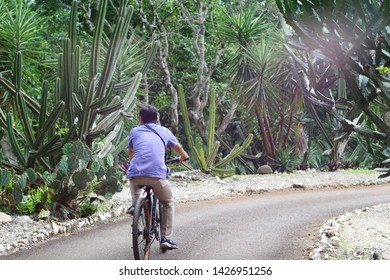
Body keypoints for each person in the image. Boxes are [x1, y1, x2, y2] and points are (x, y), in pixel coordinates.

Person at [126, 104, 189, 250]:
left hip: (136, 175)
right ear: (157, 118)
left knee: (133, 177)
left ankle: (135, 204)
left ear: (140, 119)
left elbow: (131, 153)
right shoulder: (164, 131)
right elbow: (179, 149)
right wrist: (183, 157)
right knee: (167, 202)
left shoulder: (134, 131)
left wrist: (134, 162)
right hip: (157, 176)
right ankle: (166, 238)